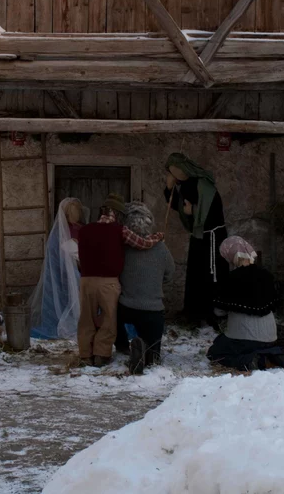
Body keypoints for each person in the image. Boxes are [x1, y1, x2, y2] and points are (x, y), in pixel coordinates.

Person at [77, 194, 164, 367]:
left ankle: (85, 354)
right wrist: (158, 237)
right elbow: (142, 244)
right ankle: (101, 354)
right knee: (110, 320)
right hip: (109, 283)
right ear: (117, 214)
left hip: (86, 281)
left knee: (86, 318)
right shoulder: (120, 230)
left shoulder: (84, 230)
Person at [206, 236, 284, 372]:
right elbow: (274, 305)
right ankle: (274, 355)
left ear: (230, 256)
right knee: (251, 344)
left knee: (216, 353)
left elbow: (219, 312)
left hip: (243, 339)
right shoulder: (266, 275)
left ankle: (256, 360)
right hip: (271, 337)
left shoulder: (231, 279)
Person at [163, 152, 229, 328]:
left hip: (212, 236)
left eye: (174, 170)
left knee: (211, 273)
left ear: (183, 169)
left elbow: (211, 209)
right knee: (196, 273)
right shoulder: (185, 185)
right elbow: (178, 204)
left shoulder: (203, 185)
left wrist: (194, 212)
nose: (173, 174)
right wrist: (169, 188)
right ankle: (194, 311)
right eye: (171, 171)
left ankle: (214, 313)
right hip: (199, 236)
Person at [114, 202, 175, 374]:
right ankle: (149, 353)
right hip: (153, 311)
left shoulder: (123, 248)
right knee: (154, 354)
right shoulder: (161, 248)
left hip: (127, 308)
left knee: (113, 312)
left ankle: (126, 347)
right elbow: (170, 274)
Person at [30, 198, 88, 340]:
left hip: (63, 274)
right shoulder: (69, 232)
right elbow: (79, 256)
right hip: (71, 275)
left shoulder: (62, 232)